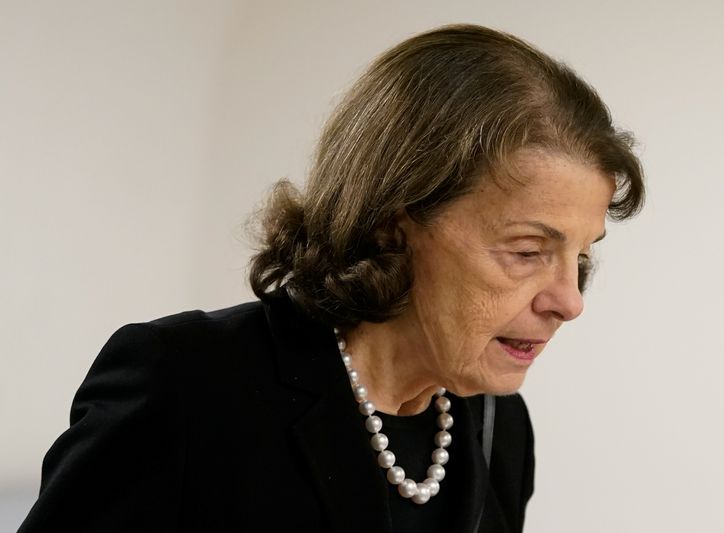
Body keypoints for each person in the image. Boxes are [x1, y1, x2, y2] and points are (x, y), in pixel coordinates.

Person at [18, 23, 644, 533]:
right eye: (529, 250)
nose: (568, 301)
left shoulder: (499, 427)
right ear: (393, 225)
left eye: (582, 258)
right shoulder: (186, 382)